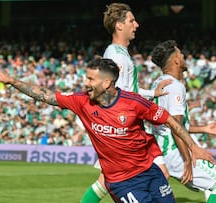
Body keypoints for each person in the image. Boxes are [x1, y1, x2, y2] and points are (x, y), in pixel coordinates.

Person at [0, 58, 215, 203]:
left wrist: (194, 148)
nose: (85, 83)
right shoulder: (81, 101)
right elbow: (45, 95)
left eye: (90, 79)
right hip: (121, 181)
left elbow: (171, 121)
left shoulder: (135, 103)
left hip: (150, 173)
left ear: (107, 83)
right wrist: (12, 81)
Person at [82, 3, 172, 203]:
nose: (137, 25)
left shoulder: (118, 52)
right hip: (125, 128)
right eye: (131, 20)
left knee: (108, 181)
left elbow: (128, 92)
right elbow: (118, 96)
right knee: (157, 174)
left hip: (127, 125)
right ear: (119, 26)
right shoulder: (116, 56)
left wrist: (151, 93)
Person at [150, 40, 216, 203]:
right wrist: (188, 158)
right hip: (175, 151)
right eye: (181, 54)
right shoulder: (174, 86)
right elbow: (176, 126)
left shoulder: (158, 83)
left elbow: (172, 123)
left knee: (213, 185)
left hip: (163, 149)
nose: (184, 56)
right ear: (176, 60)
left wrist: (204, 129)